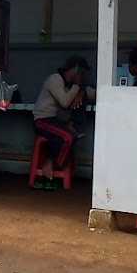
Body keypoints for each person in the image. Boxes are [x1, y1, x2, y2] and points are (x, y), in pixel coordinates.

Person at [33, 56, 95, 189]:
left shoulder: (72, 86)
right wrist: (77, 86)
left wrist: (82, 91)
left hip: (55, 122)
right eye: (82, 73)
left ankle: (51, 165)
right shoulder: (55, 79)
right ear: (76, 70)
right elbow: (65, 102)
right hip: (43, 121)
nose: (83, 77)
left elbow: (95, 94)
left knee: (73, 134)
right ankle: (49, 168)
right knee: (68, 137)